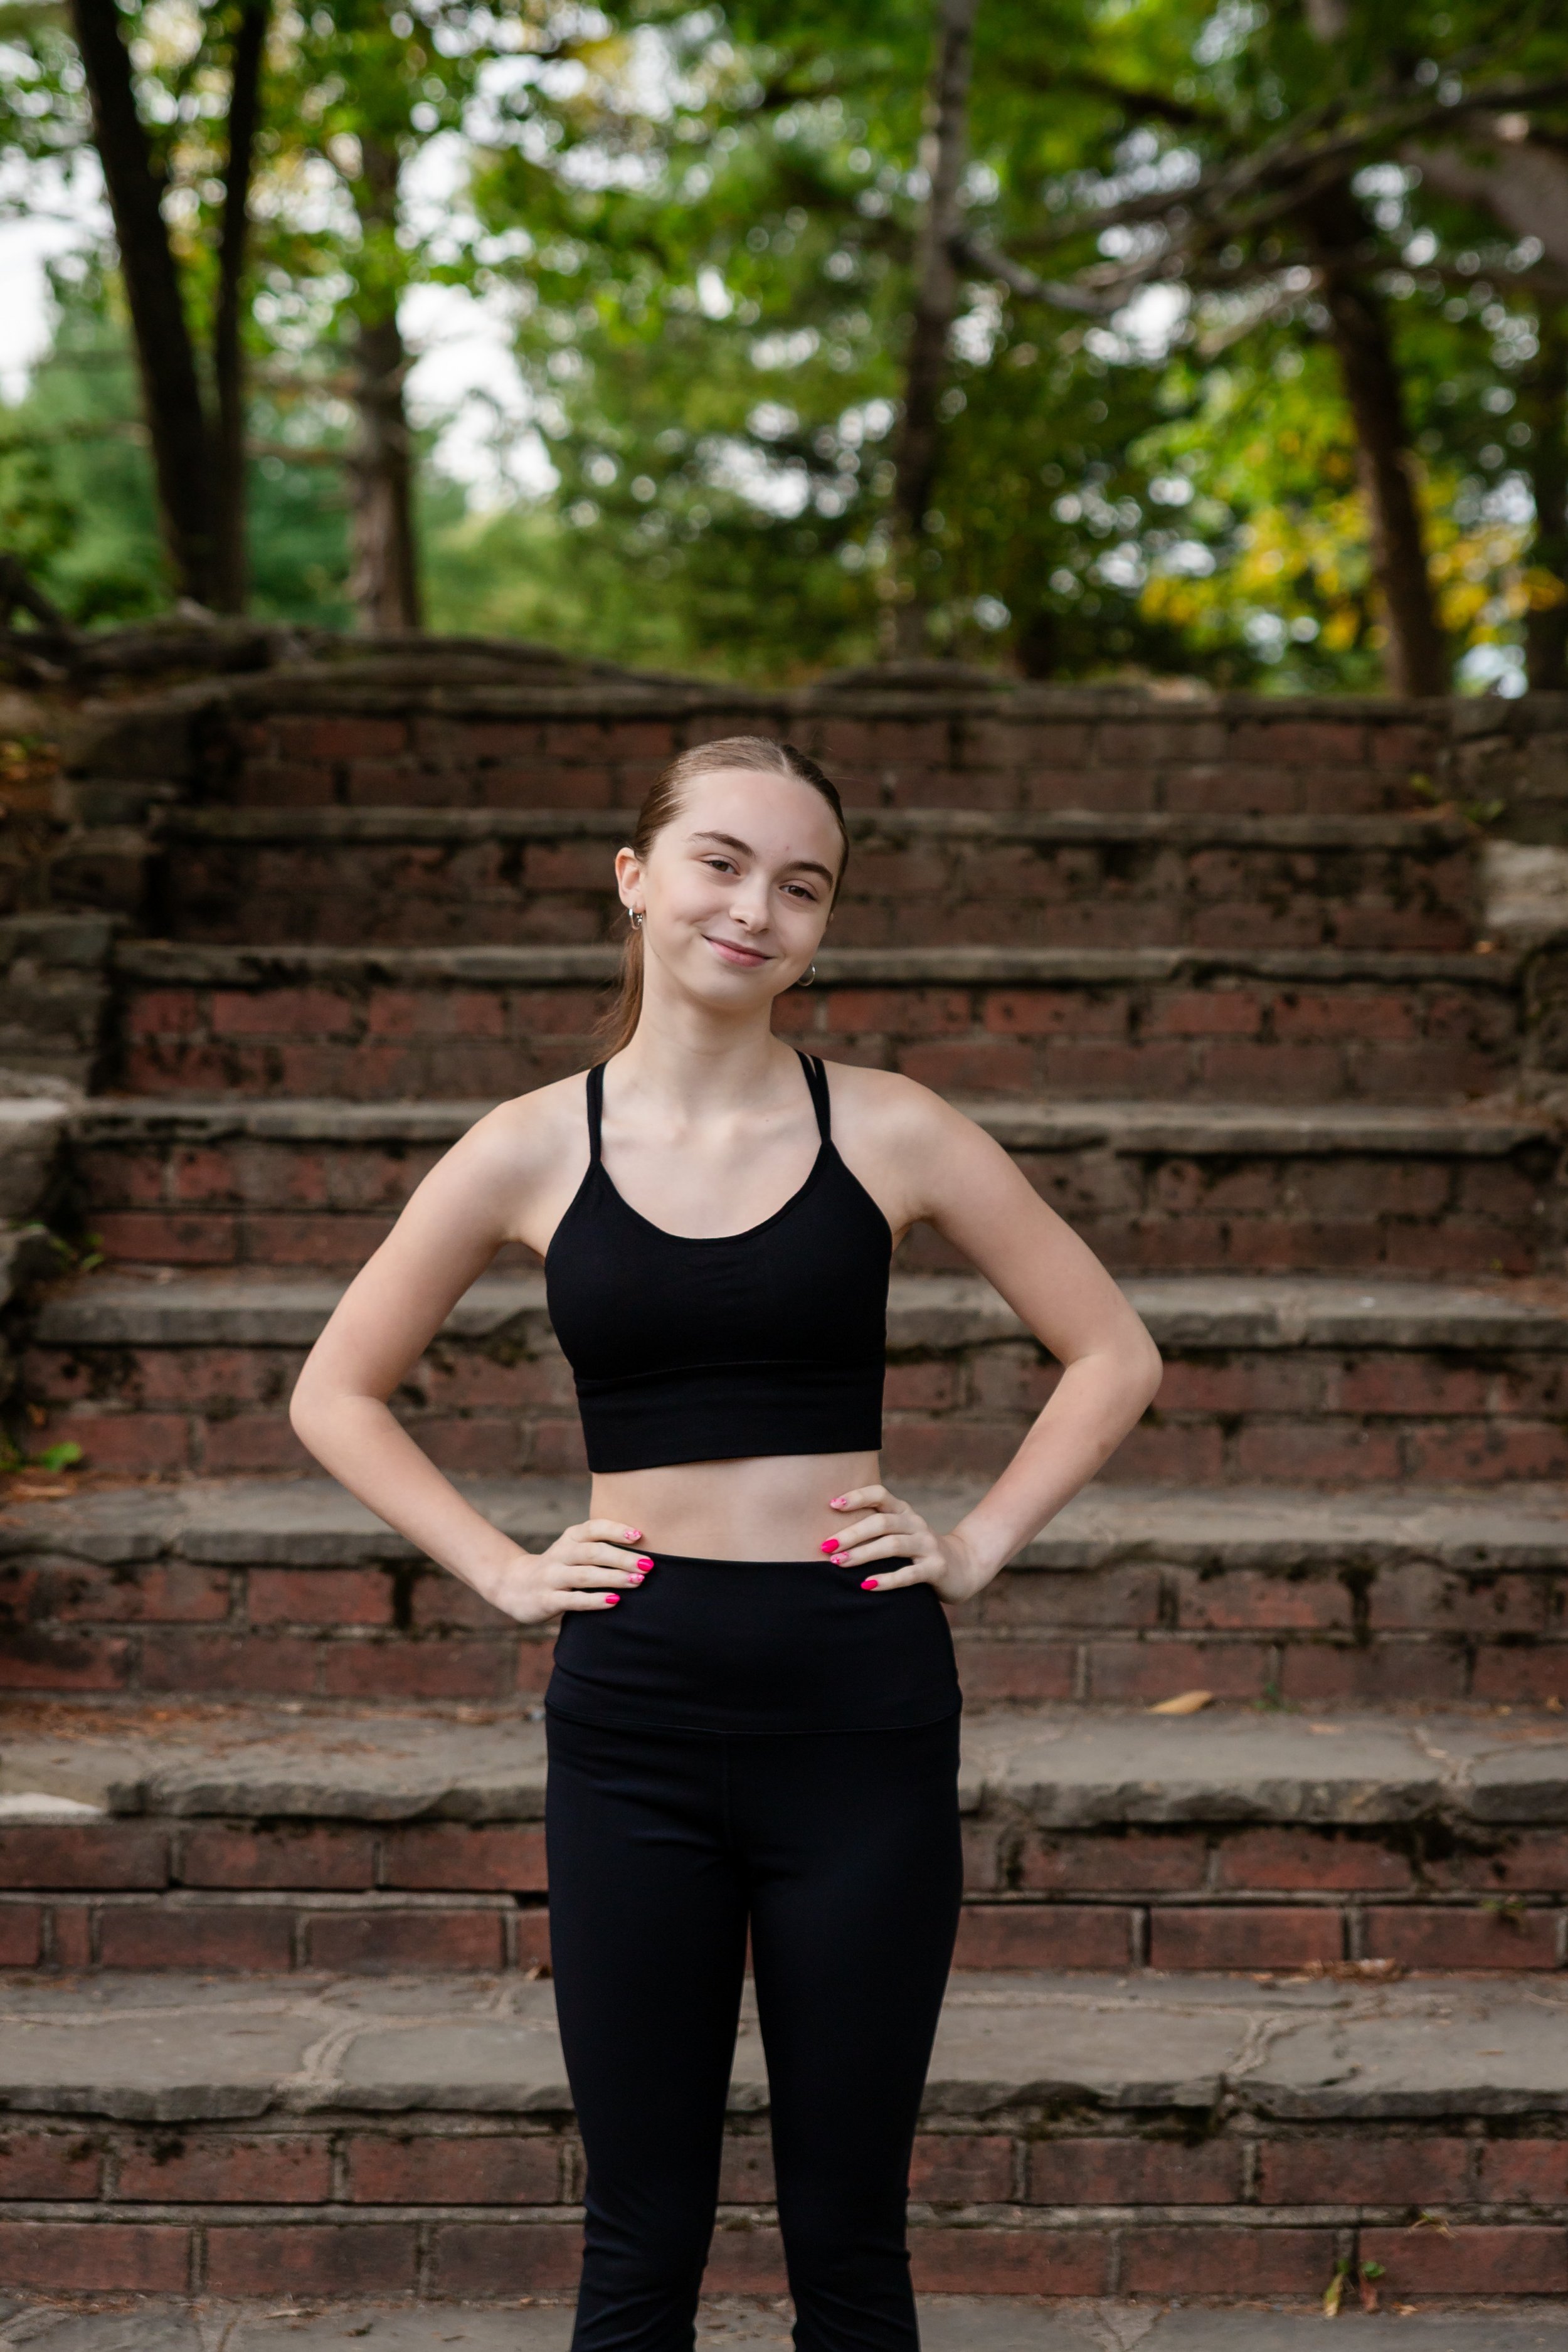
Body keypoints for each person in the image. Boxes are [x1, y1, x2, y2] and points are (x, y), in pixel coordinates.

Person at [289, 734, 1162, 2352]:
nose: (755, 907)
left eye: (802, 884)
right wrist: (495, 1565)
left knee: (850, 2242)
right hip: (632, 1711)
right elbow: (333, 1391)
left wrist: (974, 1544)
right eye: (720, 862)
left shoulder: (891, 1130)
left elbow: (1114, 1351)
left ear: (825, 924)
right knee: (641, 2243)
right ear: (636, 879)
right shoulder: (530, 1144)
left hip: (861, 1706)